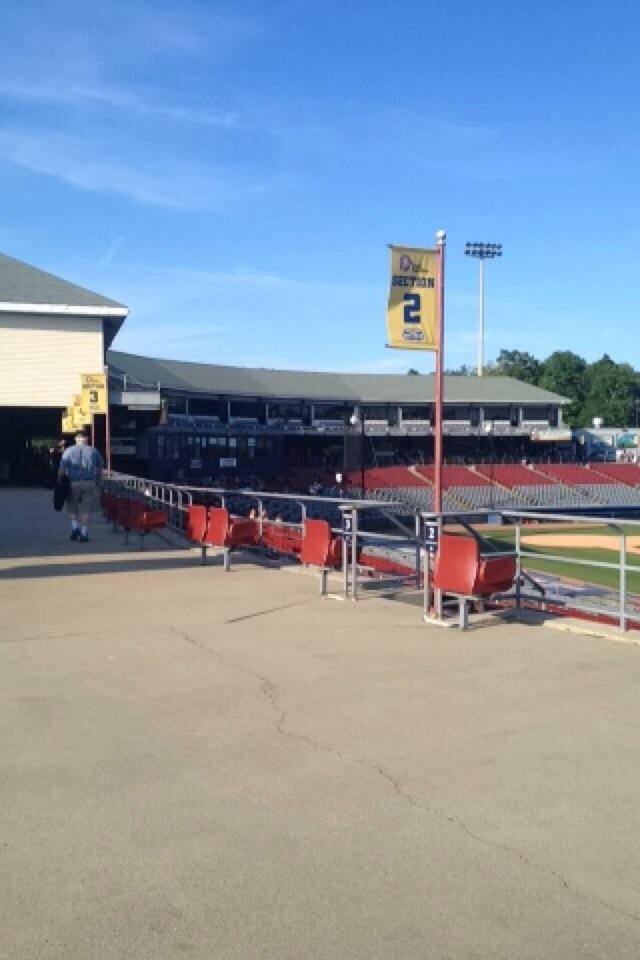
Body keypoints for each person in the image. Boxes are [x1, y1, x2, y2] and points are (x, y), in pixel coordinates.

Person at [58, 432, 104, 543]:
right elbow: (100, 466)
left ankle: (75, 528)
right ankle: (84, 533)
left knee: (72, 507)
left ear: (76, 439)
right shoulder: (94, 451)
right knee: (86, 510)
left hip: (73, 483)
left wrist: (59, 481)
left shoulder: (68, 451)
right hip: (89, 483)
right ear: (86, 439)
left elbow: (62, 469)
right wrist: (98, 480)